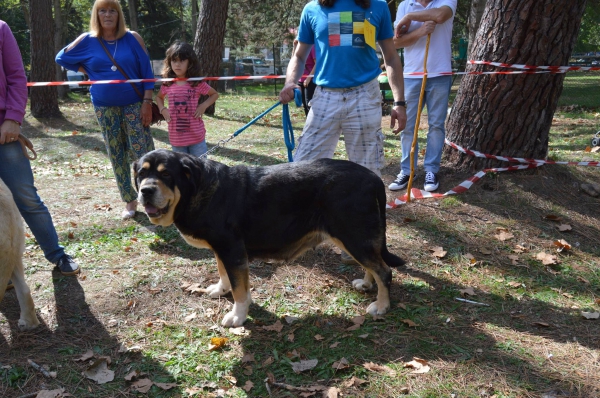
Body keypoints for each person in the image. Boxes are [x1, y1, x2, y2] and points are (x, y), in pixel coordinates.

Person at [279, 0, 407, 179]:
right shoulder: (312, 8)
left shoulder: (378, 6)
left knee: (367, 174)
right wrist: (290, 82)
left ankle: (369, 208)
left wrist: (399, 102)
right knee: (302, 170)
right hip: (324, 96)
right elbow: (299, 56)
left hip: (365, 96)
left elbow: (392, 57)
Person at [55, 0, 156, 220]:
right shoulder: (87, 40)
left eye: (112, 10)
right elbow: (61, 58)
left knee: (143, 152)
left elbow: (147, 72)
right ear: (96, 14)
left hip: (134, 104)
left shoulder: (132, 38)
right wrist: (86, 69)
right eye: (102, 11)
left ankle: (154, 198)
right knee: (116, 152)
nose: (107, 15)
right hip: (104, 107)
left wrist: (147, 102)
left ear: (119, 14)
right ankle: (129, 202)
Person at [0, 20, 80, 279]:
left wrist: (13, 117)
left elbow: (16, 76)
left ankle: (57, 254)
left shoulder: (1, 28)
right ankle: (4, 270)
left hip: (5, 133)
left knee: (26, 198)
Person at [388, 0, 457, 192]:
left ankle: (431, 170)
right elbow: (395, 42)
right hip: (411, 76)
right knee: (408, 125)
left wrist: (410, 17)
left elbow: (440, 15)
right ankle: (407, 170)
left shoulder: (447, 1)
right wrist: (420, 32)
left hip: (440, 74)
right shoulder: (404, 5)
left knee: (436, 125)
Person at [156, 41, 219, 157]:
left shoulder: (196, 83)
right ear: (169, 62)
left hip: (196, 137)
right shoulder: (168, 84)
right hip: (177, 139)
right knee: (181, 170)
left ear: (190, 63)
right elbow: (159, 97)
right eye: (174, 61)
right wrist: (162, 109)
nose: (177, 64)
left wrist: (203, 106)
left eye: (182, 60)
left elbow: (214, 94)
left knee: (200, 167)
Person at [293, 39, 317, 116]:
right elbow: (294, 60)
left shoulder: (312, 47)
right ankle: (308, 125)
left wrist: (309, 78)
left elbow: (317, 64)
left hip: (310, 80)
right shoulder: (299, 47)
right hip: (300, 80)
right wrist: (294, 46)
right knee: (304, 106)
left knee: (309, 105)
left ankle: (314, 126)